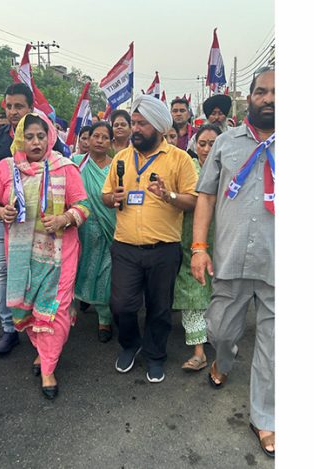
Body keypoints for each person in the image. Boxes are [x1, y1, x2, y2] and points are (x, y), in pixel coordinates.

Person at [191, 67, 275, 458]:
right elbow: (205, 197)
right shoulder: (225, 143)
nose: (269, 98)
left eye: (276, 92)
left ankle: (265, 417)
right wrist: (199, 247)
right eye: (261, 92)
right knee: (221, 330)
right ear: (250, 98)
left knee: (276, 348)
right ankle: (224, 358)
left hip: (279, 262)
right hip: (230, 257)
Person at [0, 113, 90, 400]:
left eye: (41, 136)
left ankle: (48, 369)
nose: (36, 142)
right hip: (22, 257)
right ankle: (44, 352)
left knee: (55, 310)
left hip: (60, 255)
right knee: (29, 309)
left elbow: (83, 206)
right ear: (20, 138)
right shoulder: (6, 169)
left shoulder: (65, 168)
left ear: (50, 137)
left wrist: (65, 218)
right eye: (29, 136)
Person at [102, 94, 198, 383]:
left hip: (163, 249)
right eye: (134, 123)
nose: (135, 129)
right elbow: (105, 195)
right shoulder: (121, 157)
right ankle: (130, 345)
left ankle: (156, 356)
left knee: (159, 308)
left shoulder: (180, 159)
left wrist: (167, 195)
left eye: (142, 124)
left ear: (158, 126)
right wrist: (112, 198)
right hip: (125, 247)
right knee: (121, 305)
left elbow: (192, 201)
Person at [0, 83, 70, 354]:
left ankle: (46, 331)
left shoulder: (54, 149)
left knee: (43, 281)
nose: (13, 112)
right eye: (9, 106)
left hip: (49, 233)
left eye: (19, 107)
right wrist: (0, 212)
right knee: (6, 272)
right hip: (13, 226)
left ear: (31, 109)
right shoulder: (1, 137)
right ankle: (10, 329)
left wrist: (65, 217)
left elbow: (71, 186)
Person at [172, 124, 222, 372]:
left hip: (223, 241)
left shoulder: (232, 170)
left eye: (213, 143)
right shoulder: (188, 169)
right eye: (202, 143)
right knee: (193, 291)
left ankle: (222, 346)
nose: (207, 149)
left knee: (220, 294)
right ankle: (199, 352)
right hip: (190, 240)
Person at [72, 122, 115, 342]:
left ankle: (104, 321)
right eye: (94, 136)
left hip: (110, 229)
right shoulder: (76, 163)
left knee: (105, 274)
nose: (98, 140)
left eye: (104, 137)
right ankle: (72, 311)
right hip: (81, 230)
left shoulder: (116, 166)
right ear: (87, 140)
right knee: (81, 270)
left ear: (111, 142)